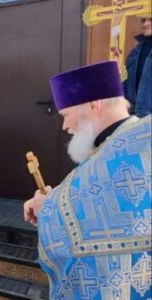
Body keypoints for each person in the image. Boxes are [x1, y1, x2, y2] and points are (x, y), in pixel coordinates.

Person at [24, 61, 151, 299]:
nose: (65, 126)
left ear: (94, 105)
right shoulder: (121, 146)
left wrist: (48, 208)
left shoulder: (127, 152)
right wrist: (52, 201)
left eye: (66, 114)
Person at [123, 16, 151, 117]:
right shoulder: (135, 52)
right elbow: (127, 82)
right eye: (143, 20)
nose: (145, 24)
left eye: (151, 20)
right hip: (134, 115)